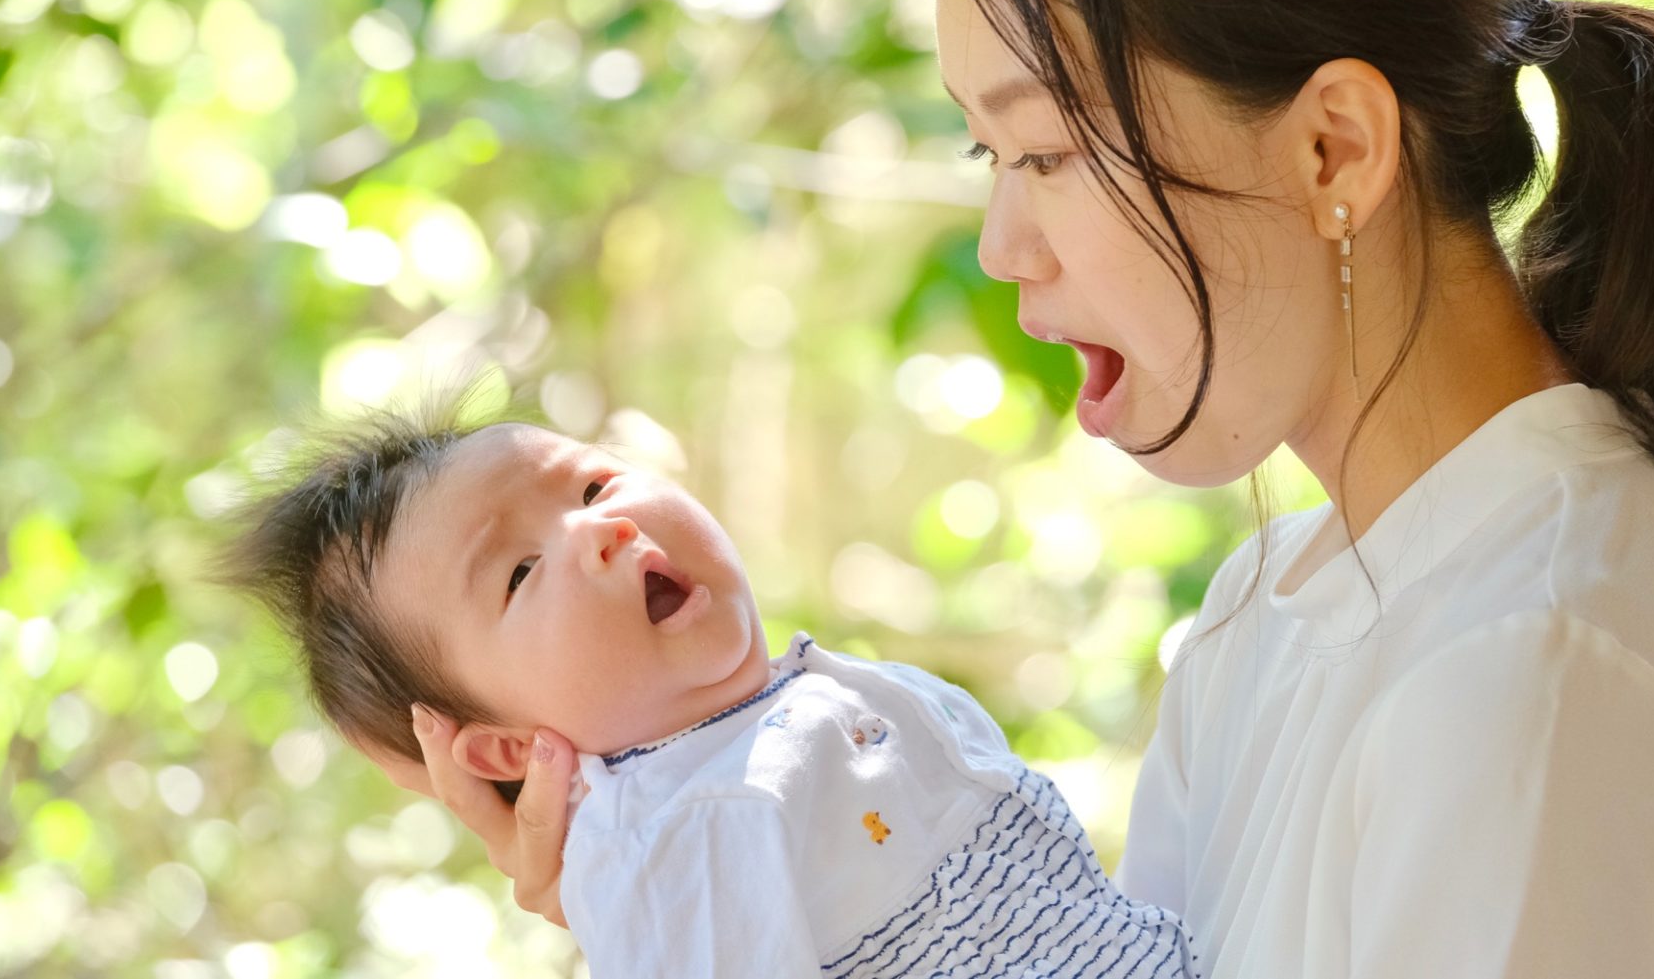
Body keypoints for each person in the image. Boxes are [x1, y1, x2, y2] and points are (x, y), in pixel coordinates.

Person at [368, 0, 1654, 974]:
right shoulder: (1276, 617)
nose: (1007, 248)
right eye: (983, 159)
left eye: (1050, 154)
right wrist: (705, 887)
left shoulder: (1536, 668)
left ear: (1334, 148)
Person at [214, 410, 1206, 977]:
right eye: (517, 573)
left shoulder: (783, 715)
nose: (600, 530)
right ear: (505, 751)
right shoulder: (664, 842)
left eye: (593, 486)